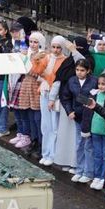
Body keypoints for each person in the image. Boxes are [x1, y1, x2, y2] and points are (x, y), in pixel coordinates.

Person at [36, 36, 75, 166]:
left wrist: (46, 76)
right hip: (44, 91)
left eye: (58, 47)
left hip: (55, 95)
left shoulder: (64, 60)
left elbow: (55, 78)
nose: (56, 50)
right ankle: (45, 153)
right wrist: (36, 60)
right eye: (53, 47)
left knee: (54, 126)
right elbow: (36, 71)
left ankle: (52, 154)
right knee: (45, 125)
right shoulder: (47, 57)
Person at [61, 59, 97, 184]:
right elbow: (65, 97)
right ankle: (79, 169)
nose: (79, 73)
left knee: (88, 145)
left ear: (88, 71)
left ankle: (89, 172)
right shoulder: (72, 81)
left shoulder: (94, 81)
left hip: (90, 117)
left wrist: (86, 103)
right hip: (77, 116)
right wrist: (69, 111)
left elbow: (95, 98)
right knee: (79, 144)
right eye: (77, 70)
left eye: (82, 70)